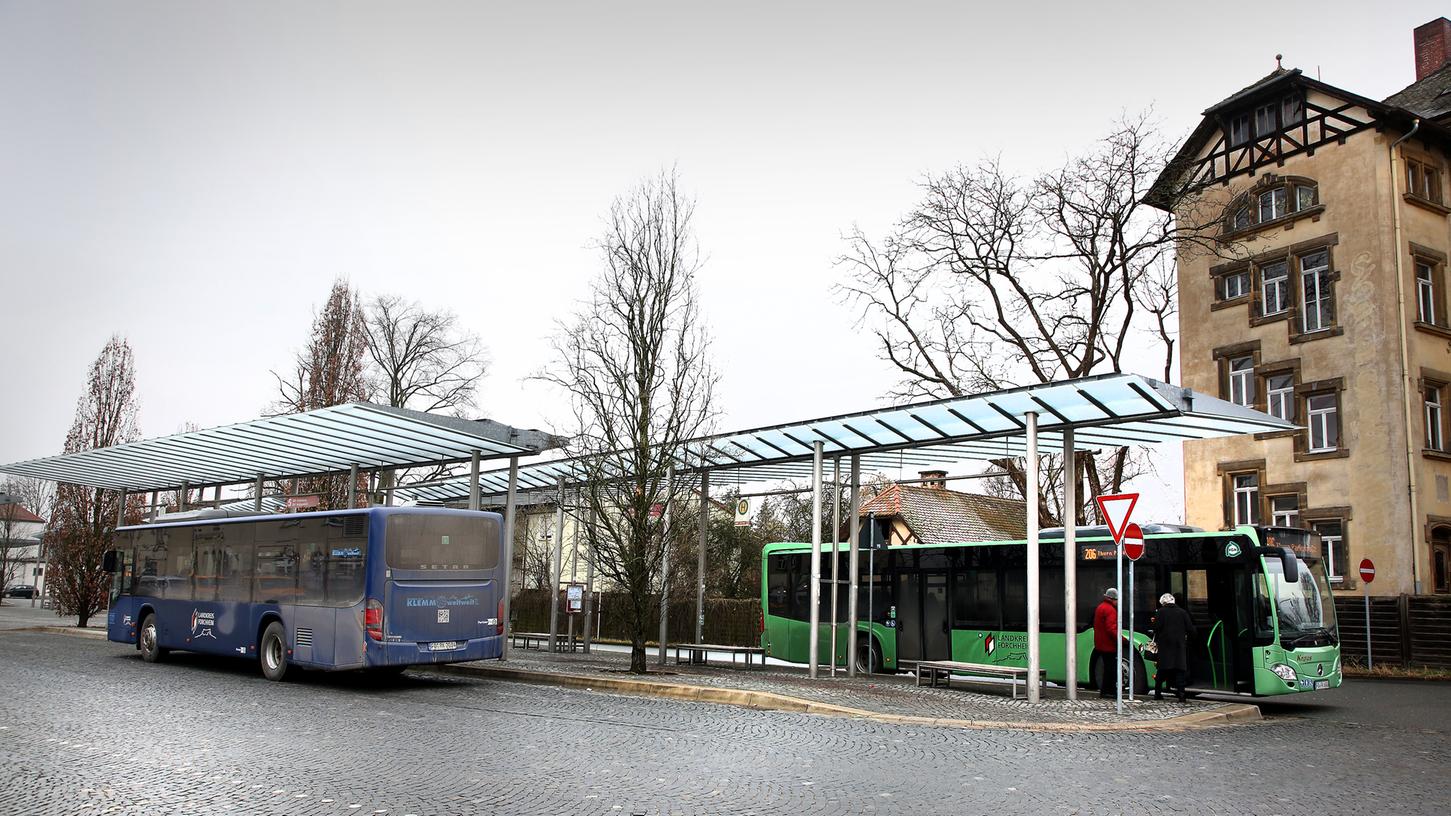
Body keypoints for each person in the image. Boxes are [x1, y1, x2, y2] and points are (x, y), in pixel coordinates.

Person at [1152, 592, 1196, 703]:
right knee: (1180, 671)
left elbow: (1156, 628)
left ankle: (1157, 693)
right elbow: (1191, 629)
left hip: (1165, 646)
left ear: (1163, 603)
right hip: (1179, 646)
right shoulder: (1182, 612)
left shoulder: (1160, 612)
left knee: (1162, 670)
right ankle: (1182, 696)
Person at [1092, 588, 1119, 699]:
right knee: (1111, 669)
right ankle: (1109, 692)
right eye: (1117, 600)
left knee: (1107, 668)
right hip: (1108, 645)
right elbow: (1111, 628)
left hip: (1101, 643)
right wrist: (1122, 640)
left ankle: (1105, 691)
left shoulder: (1100, 607)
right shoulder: (1110, 610)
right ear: (1112, 599)